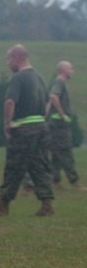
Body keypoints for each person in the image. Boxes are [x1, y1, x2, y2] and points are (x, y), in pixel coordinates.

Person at [0, 45, 54, 217]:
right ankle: (47, 205)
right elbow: (48, 101)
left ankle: (2, 206)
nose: (8, 63)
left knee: (14, 167)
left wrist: (7, 124)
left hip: (23, 128)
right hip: (41, 127)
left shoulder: (18, 78)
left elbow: (10, 102)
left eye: (9, 59)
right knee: (40, 166)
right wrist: (41, 119)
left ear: (17, 58)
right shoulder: (39, 77)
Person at [46, 61, 84, 190]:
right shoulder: (59, 82)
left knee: (56, 153)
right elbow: (53, 96)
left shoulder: (59, 82)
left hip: (54, 123)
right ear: (64, 70)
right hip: (59, 125)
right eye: (70, 68)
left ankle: (55, 182)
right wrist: (62, 114)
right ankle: (74, 182)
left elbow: (50, 101)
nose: (72, 71)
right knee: (66, 152)